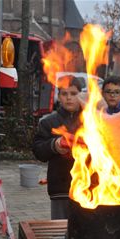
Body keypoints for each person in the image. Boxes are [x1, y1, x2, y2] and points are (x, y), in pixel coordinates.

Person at [33, 75, 83, 219]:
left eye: (73, 94)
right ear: (58, 97)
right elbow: (38, 151)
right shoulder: (48, 122)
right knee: (60, 230)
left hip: (87, 188)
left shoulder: (91, 120)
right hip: (60, 187)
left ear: (81, 95)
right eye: (64, 94)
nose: (69, 98)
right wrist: (54, 145)